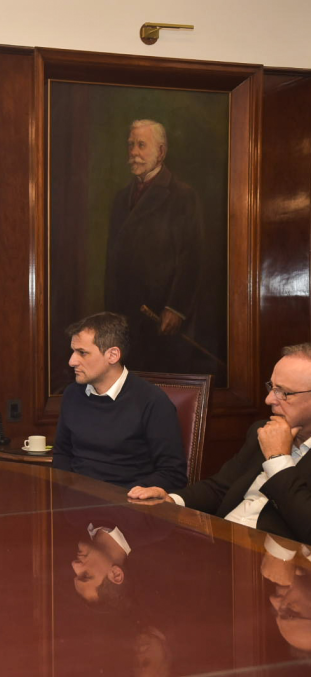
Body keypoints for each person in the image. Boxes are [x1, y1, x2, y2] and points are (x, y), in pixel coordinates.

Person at [129, 344, 311, 546]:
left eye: (284, 393)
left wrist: (277, 459)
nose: (269, 399)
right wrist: (172, 500)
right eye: (272, 387)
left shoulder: (272, 437)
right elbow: (220, 488)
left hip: (272, 563)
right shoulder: (262, 431)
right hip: (222, 545)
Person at [104, 119, 203, 373]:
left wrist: (176, 308)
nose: (134, 152)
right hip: (125, 314)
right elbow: (112, 260)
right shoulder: (120, 198)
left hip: (159, 315)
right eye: (131, 145)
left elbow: (191, 257)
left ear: (161, 152)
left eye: (141, 145)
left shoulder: (182, 196)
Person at [53, 312, 187, 491]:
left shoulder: (152, 401)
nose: (72, 361)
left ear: (113, 355)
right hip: (76, 504)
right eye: (73, 351)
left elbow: (173, 473)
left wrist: (126, 498)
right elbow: (62, 454)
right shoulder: (71, 394)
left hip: (128, 505)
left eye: (82, 353)